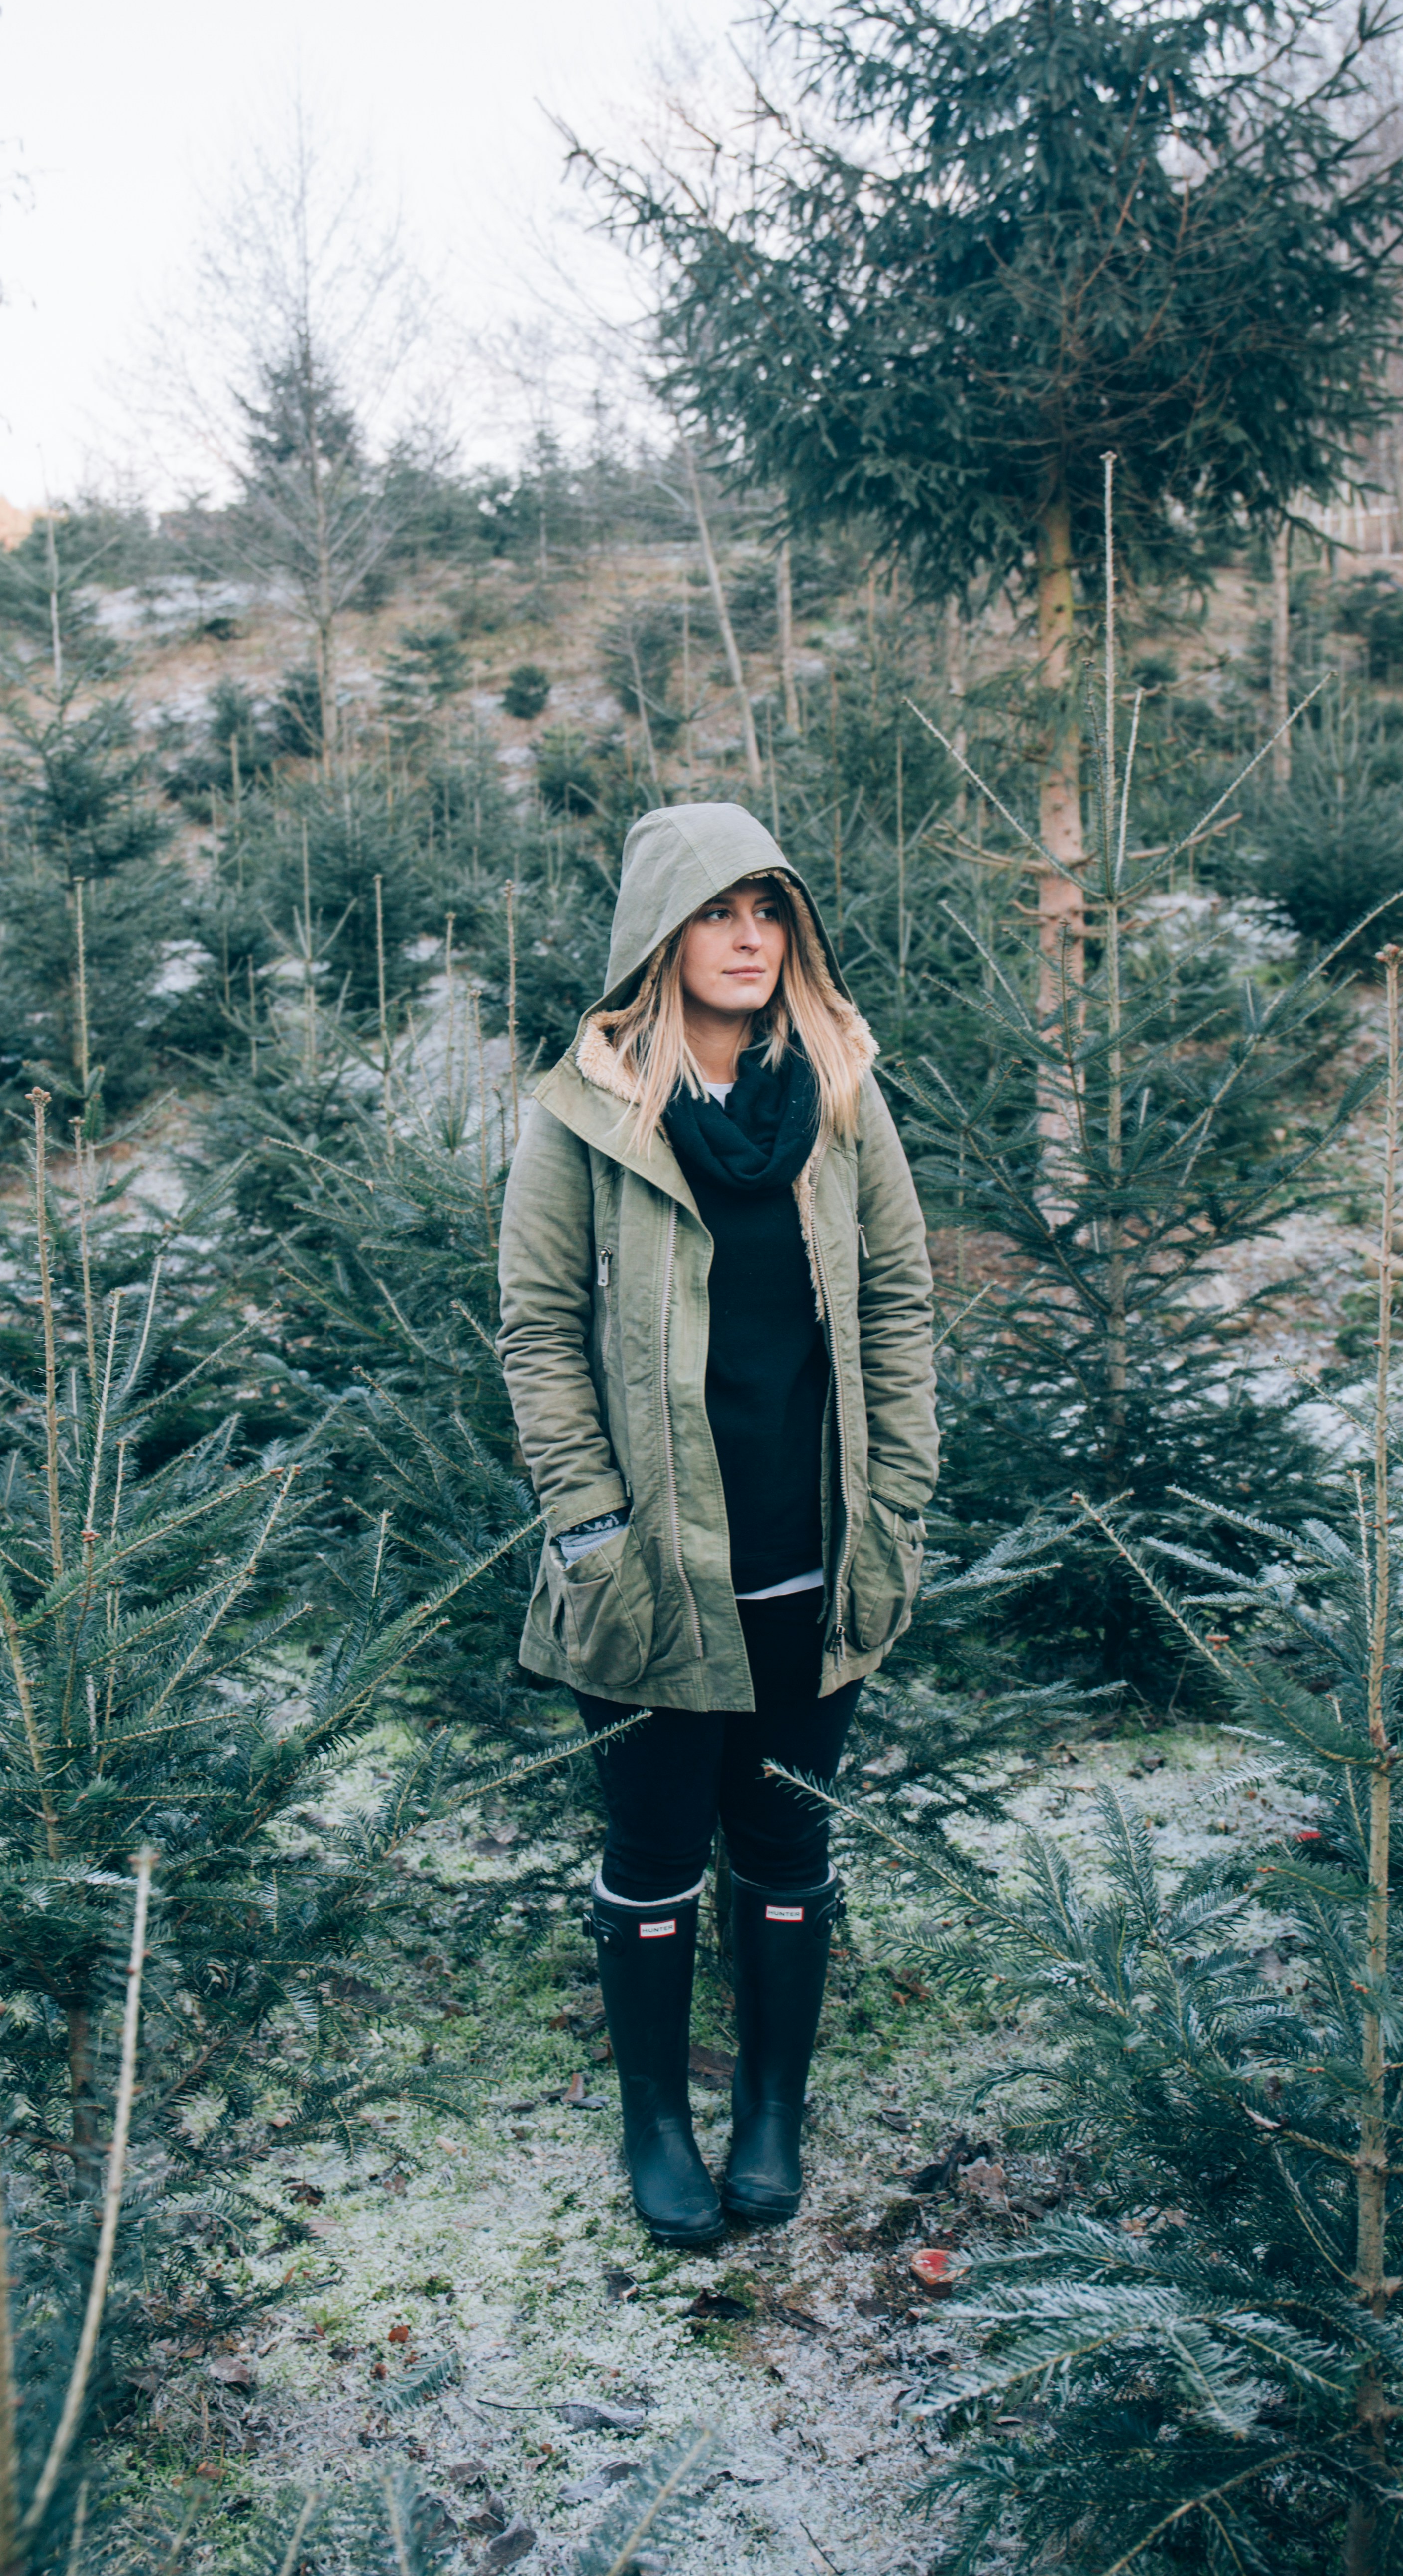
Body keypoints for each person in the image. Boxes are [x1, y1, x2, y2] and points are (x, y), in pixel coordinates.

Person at [496, 804, 937, 2245]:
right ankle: (656, 2124)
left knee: (789, 1850)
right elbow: (538, 1334)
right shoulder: (582, 1114)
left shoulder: (845, 1096)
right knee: (655, 1853)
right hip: (652, 1568)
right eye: (719, 912)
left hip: (815, 1552)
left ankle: (769, 2113)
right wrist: (589, 1526)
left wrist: (904, 1497)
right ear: (661, 937)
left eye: (770, 912)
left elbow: (902, 1302)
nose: (749, 939)